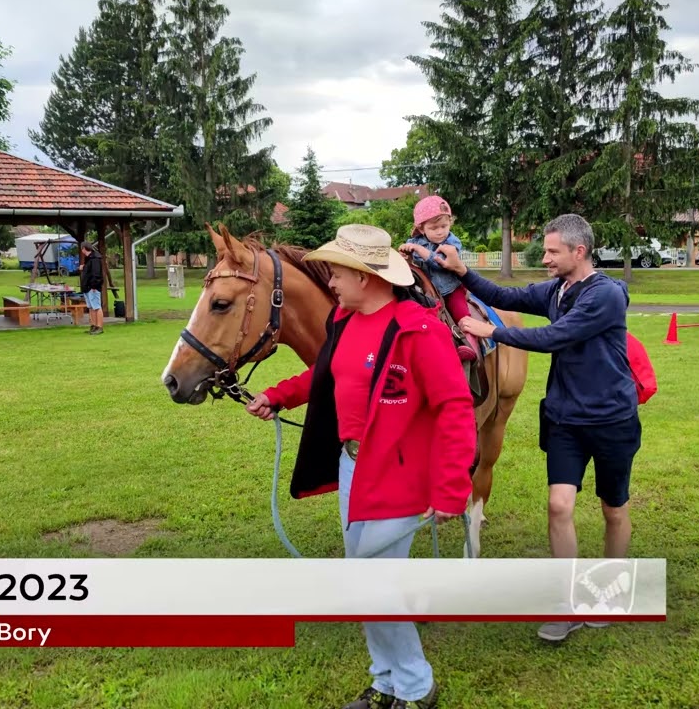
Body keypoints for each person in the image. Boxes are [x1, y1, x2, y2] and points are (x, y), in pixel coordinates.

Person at [244, 224, 476, 709]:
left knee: (376, 586)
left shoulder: (419, 330)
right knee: (363, 581)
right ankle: (386, 682)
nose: (330, 282)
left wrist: (452, 488)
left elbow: (454, 408)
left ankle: (416, 687)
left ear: (365, 277)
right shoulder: (344, 321)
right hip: (353, 467)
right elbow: (325, 373)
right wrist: (277, 395)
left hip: (401, 475)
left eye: (336, 273)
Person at [436, 213, 641, 644]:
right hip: (565, 418)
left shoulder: (605, 296)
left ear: (578, 252)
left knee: (613, 509)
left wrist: (491, 331)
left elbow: (555, 337)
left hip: (611, 419)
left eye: (551, 251)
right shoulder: (556, 290)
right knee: (559, 506)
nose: (544, 258)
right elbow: (502, 294)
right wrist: (462, 270)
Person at [398, 195, 480, 362]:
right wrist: (405, 254)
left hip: (451, 289)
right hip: (427, 292)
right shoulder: (415, 242)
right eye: (434, 228)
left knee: (462, 315)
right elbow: (412, 265)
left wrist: (418, 250)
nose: (440, 231)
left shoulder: (452, 242)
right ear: (422, 229)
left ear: (450, 223)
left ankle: (470, 344)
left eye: (444, 225)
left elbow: (440, 262)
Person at [79, 241, 104, 335]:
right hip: (87, 287)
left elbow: (96, 274)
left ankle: (99, 327)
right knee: (91, 307)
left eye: (81, 248)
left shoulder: (95, 259)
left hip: (92, 287)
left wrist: (94, 286)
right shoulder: (89, 259)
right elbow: (89, 271)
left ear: (84, 249)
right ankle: (93, 326)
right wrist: (84, 267)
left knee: (96, 307)